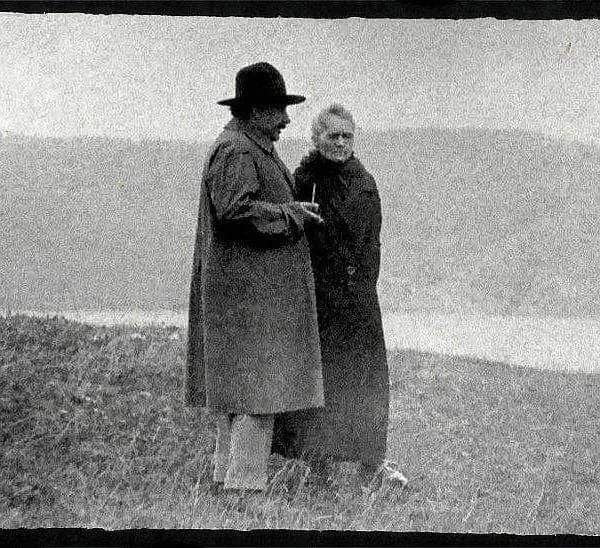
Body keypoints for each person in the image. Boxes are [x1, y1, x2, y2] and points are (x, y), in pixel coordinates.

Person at [185, 62, 325, 495]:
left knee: (243, 395)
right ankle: (245, 491)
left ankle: (227, 483)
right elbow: (234, 210)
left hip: (246, 298)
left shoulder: (245, 145)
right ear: (254, 110)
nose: (286, 119)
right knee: (256, 395)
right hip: (249, 301)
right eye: (279, 109)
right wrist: (291, 214)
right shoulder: (239, 151)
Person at [273, 104, 408, 491]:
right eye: (332, 136)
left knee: (364, 382)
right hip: (317, 300)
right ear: (317, 139)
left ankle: (369, 466)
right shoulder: (303, 180)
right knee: (321, 386)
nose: (340, 143)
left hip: (358, 301)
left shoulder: (364, 182)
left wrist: (363, 288)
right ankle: (318, 469)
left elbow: (372, 244)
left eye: (347, 136)